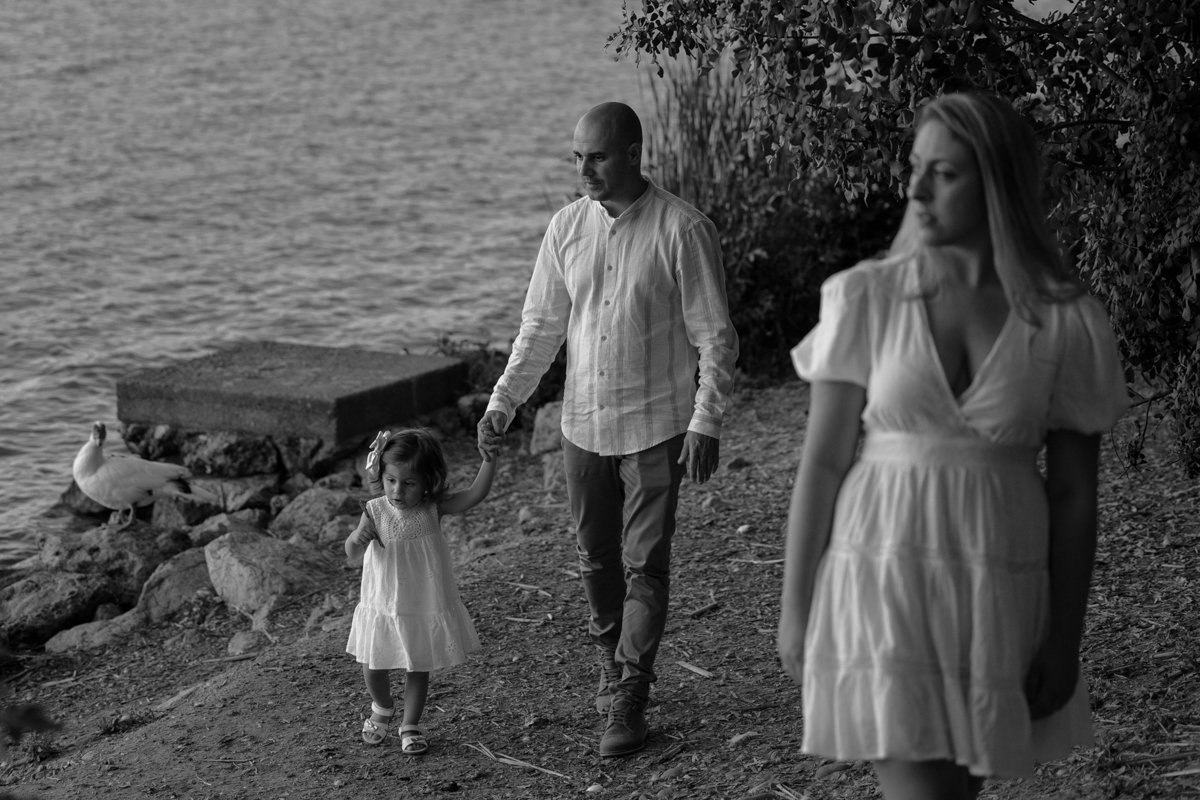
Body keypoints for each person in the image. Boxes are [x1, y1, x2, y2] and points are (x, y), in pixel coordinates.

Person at [777, 91, 1129, 799]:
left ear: (997, 182)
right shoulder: (866, 296)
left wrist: (1065, 637)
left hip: (997, 583)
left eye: (944, 172)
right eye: (915, 167)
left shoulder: (1065, 320)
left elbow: (1074, 495)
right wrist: (796, 608)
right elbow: (821, 463)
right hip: (882, 574)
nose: (915, 188)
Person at [477, 101, 739, 757]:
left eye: (595, 156)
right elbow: (539, 330)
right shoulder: (565, 228)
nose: (583, 169)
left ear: (631, 153)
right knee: (596, 561)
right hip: (583, 428)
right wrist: (502, 403)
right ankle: (610, 656)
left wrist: (705, 421)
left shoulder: (684, 229)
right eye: (576, 158)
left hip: (657, 425)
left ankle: (631, 693)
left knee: (644, 564)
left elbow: (716, 338)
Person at [345, 428, 496, 753]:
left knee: (418, 664)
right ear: (381, 476)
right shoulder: (374, 510)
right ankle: (382, 707)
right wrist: (357, 540)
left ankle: (410, 723)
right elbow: (352, 553)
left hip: (421, 601)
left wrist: (489, 460)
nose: (398, 490)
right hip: (384, 603)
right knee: (372, 664)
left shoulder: (432, 508)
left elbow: (473, 495)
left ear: (428, 482)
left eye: (409, 483)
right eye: (391, 480)